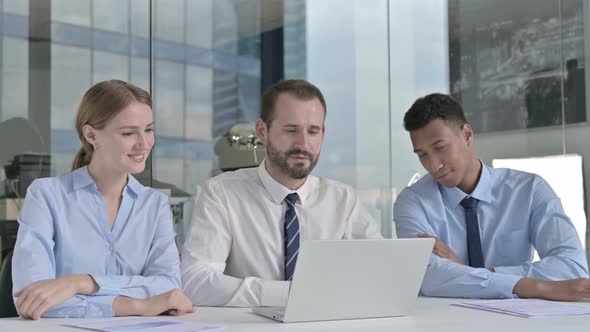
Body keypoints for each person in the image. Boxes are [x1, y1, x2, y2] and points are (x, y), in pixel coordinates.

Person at [181, 79, 382, 307]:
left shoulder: (343, 199)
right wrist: (289, 294)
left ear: (323, 134)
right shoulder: (221, 194)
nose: (303, 143)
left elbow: (380, 270)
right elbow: (194, 282)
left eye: (313, 131)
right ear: (262, 131)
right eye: (291, 130)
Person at [12, 80, 194, 319]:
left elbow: (168, 286)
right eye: (128, 132)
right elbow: (31, 299)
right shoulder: (47, 196)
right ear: (91, 135)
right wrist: (137, 306)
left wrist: (82, 283)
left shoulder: (155, 204)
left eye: (148, 129)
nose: (144, 143)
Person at [394, 93, 590, 300]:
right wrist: (537, 287)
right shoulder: (412, 202)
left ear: (467, 135)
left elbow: (573, 268)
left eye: (440, 148)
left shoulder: (530, 190)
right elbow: (428, 278)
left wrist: (468, 272)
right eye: (422, 154)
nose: (433, 165)